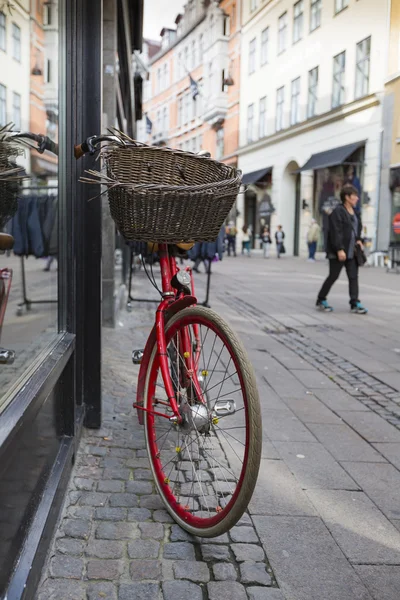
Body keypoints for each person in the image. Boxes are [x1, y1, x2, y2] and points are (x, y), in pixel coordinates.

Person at [316, 184, 368, 314]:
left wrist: (359, 240)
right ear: (347, 197)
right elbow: (335, 232)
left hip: (352, 251)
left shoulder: (355, 212)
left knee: (353, 277)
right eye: (354, 196)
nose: (357, 198)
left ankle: (355, 303)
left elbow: (357, 229)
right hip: (339, 251)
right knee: (333, 276)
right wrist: (339, 249)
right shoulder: (338, 212)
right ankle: (321, 299)